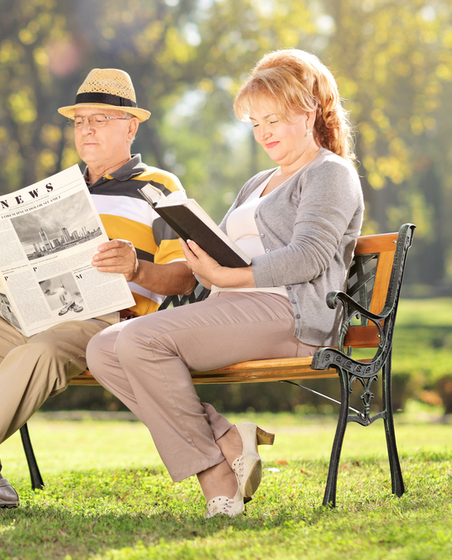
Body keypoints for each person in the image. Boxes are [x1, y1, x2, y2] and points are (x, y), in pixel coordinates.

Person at [0, 68, 197, 514]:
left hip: (107, 324)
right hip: (31, 314)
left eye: (99, 119)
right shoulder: (59, 189)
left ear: (131, 125)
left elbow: (187, 276)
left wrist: (136, 266)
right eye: (79, 120)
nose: (85, 128)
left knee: (38, 351)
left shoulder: (159, 187)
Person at [86, 49, 364, 518]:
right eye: (255, 124)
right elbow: (226, 248)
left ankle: (216, 477)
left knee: (137, 341)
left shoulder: (330, 173)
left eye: (273, 119)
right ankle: (229, 440)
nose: (264, 133)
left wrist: (227, 276)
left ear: (309, 110)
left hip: (290, 313)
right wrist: (200, 255)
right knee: (103, 350)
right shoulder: (258, 182)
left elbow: (308, 258)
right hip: (232, 306)